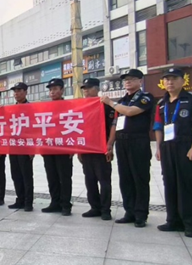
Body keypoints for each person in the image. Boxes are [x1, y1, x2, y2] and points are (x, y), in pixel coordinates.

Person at [154, 68, 192, 238]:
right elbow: (158, 127)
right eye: (167, 79)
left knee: (187, 185)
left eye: (174, 79)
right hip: (167, 148)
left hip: (185, 146)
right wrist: (159, 147)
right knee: (170, 184)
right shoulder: (162, 103)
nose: (170, 82)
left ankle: (189, 223)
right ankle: (172, 220)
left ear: (182, 81)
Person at [101, 69, 154, 228]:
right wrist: (110, 143)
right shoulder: (123, 100)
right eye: (125, 80)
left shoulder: (146, 98)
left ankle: (140, 214)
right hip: (122, 142)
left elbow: (131, 112)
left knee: (140, 178)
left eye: (131, 79)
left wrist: (111, 103)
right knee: (125, 178)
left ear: (140, 81)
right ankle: (129, 211)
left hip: (138, 141)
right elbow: (115, 124)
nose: (128, 82)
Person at [78, 78, 116, 220]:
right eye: (84, 88)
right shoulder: (81, 106)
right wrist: (79, 149)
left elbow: (113, 125)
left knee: (104, 180)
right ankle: (95, 207)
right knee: (90, 180)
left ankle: (106, 210)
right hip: (87, 148)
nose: (86, 91)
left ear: (96, 88)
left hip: (102, 149)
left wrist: (110, 145)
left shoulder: (105, 105)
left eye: (88, 88)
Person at [41, 78, 75, 216]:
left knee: (64, 177)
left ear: (62, 90)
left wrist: (73, 148)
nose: (52, 92)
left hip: (64, 147)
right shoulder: (45, 107)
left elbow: (75, 127)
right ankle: (55, 202)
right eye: (50, 89)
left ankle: (66, 204)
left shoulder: (69, 106)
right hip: (49, 147)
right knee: (52, 176)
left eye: (55, 89)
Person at [8, 82, 34, 211]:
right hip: (13, 146)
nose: (16, 93)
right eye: (15, 91)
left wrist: (32, 149)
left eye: (19, 90)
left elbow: (34, 130)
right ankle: (20, 199)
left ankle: (28, 202)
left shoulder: (30, 108)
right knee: (16, 175)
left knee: (26, 176)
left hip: (26, 147)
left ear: (25, 92)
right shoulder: (11, 109)